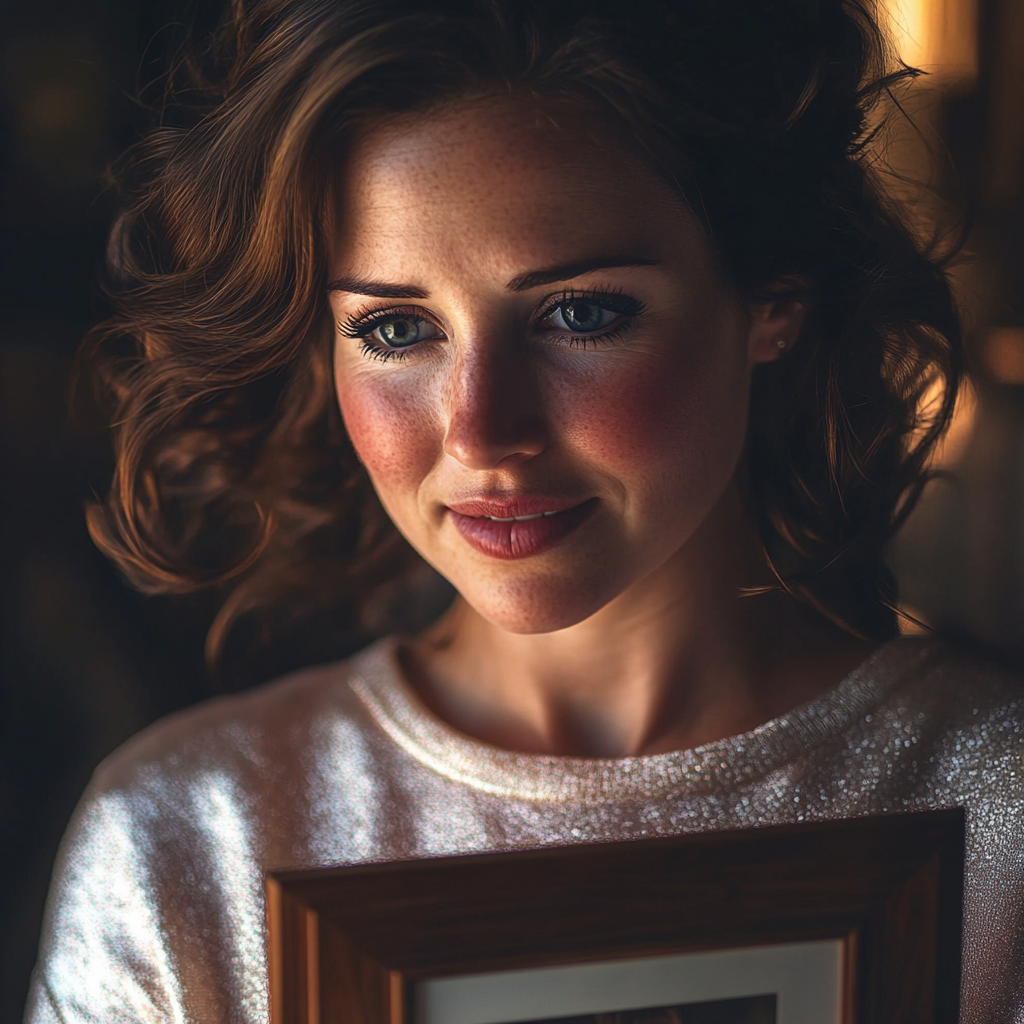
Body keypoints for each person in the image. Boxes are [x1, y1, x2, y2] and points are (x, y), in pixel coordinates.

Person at [23, 1, 1024, 1022]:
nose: (480, 433)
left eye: (581, 313)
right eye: (397, 327)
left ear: (772, 301)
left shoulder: (998, 811)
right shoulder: (192, 840)